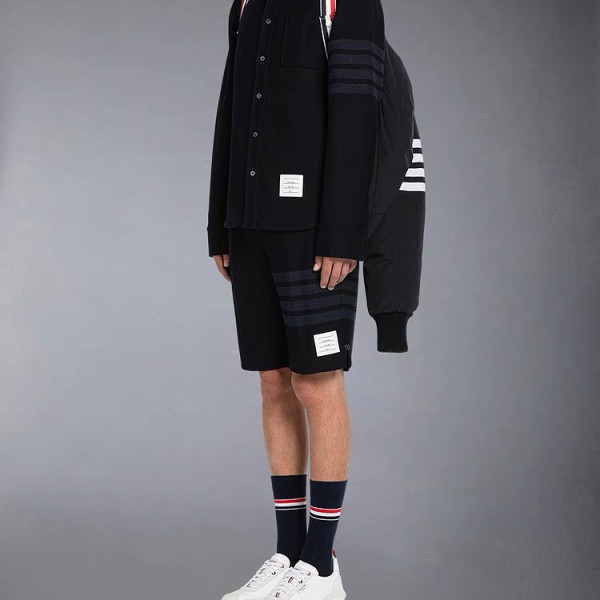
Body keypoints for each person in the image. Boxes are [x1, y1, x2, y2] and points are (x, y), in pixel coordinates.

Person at [207, 0, 385, 598]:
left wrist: (343, 234)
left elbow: (359, 115)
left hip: (312, 230)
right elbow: (231, 108)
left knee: (318, 381)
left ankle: (321, 565)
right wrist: (219, 222)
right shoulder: (245, 2)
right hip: (249, 224)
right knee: (273, 382)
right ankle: (288, 556)